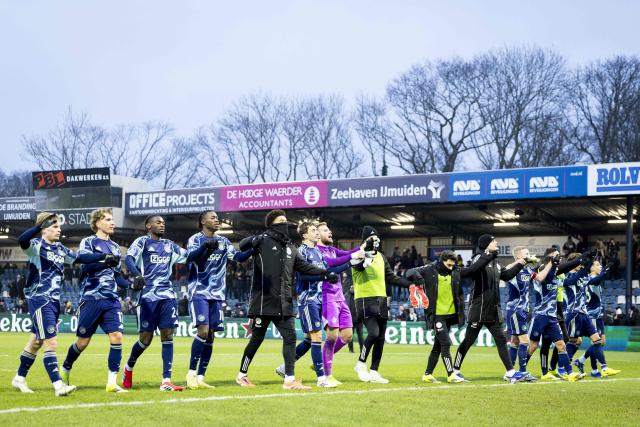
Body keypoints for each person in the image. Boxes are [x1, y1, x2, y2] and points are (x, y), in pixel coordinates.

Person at [11, 212, 114, 396]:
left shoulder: (60, 248)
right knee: (51, 342)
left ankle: (19, 378)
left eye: (59, 226)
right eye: (55, 226)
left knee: (36, 342)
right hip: (40, 299)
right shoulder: (36, 246)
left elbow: (80, 258)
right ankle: (59, 386)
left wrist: (103, 259)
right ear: (44, 229)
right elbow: (22, 239)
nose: (59, 230)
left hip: (53, 301)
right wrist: (39, 226)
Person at [235, 210, 335, 390]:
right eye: (281, 221)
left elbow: (305, 267)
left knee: (290, 337)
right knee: (256, 340)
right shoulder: (262, 241)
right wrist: (252, 239)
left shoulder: (290, 247)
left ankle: (289, 379)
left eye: (286, 221)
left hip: (284, 302)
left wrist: (325, 274)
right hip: (263, 302)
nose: (285, 224)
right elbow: (241, 247)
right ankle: (242, 375)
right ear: (272, 225)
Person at [121, 215, 211, 391]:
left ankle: (166, 381)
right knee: (145, 340)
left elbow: (189, 256)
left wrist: (204, 247)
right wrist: (136, 274)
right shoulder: (142, 242)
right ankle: (129, 367)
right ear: (148, 225)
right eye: (158, 222)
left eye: (163, 223)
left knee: (167, 335)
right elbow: (130, 258)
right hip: (147, 297)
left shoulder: (169, 245)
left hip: (167, 296)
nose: (162, 225)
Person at [61, 208, 138, 393]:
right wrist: (104, 259)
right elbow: (84, 263)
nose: (112, 223)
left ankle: (111, 382)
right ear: (97, 223)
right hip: (91, 298)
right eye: (108, 219)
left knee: (117, 337)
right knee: (82, 343)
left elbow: (116, 275)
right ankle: (65, 369)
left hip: (111, 300)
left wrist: (131, 284)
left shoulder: (115, 248)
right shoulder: (88, 242)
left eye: (113, 220)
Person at [275, 221, 348, 388]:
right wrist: (324, 276)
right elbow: (304, 276)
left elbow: (329, 271)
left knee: (309, 340)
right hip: (308, 299)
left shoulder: (318, 252)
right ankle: (322, 379)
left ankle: (284, 367)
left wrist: (351, 263)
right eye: (313, 230)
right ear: (304, 235)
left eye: (317, 230)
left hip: (320, 299)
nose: (317, 233)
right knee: (317, 337)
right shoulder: (301, 252)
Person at [184, 211, 252, 389]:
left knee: (211, 335)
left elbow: (238, 258)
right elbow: (190, 259)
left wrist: (254, 247)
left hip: (217, 294)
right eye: (212, 217)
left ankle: (200, 377)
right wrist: (206, 248)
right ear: (203, 221)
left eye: (217, 217)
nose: (217, 220)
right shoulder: (195, 239)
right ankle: (190, 373)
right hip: (198, 291)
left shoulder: (223, 241)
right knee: (203, 331)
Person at [352, 226, 426, 384]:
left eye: (376, 239)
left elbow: (391, 277)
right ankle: (360, 363)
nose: (374, 241)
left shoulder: (382, 257)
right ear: (364, 240)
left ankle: (374, 371)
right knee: (373, 333)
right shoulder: (357, 253)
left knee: (380, 338)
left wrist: (411, 285)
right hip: (364, 299)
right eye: (371, 239)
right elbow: (358, 266)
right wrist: (367, 252)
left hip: (381, 300)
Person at [452, 234, 527, 383]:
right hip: (479, 308)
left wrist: (521, 264)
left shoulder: (495, 262)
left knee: (500, 339)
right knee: (468, 341)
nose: (496, 242)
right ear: (486, 244)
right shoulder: (478, 258)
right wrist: (487, 255)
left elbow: (505, 276)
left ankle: (510, 372)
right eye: (493, 241)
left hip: (492, 309)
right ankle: (455, 371)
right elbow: (473, 270)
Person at [524, 249, 594, 381]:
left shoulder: (557, 274)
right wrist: (581, 258)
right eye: (556, 256)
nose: (559, 259)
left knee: (561, 344)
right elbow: (544, 277)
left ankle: (569, 372)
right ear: (549, 258)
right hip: (540, 315)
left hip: (553, 315)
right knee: (533, 346)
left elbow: (571, 277)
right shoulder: (541, 270)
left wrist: (586, 259)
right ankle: (522, 370)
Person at [407, 250, 464, 384]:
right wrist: (418, 279)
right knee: (446, 343)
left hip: (450, 315)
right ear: (442, 261)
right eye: (448, 265)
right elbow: (409, 272)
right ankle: (451, 374)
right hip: (437, 315)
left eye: (452, 265)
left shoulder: (455, 271)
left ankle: (427, 374)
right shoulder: (429, 269)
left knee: (437, 347)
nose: (451, 268)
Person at [564, 255, 621, 378]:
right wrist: (606, 269)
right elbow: (595, 280)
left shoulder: (585, 278)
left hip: (590, 314)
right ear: (592, 267)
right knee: (575, 341)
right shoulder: (584, 278)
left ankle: (602, 368)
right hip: (582, 314)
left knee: (597, 341)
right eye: (597, 264)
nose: (599, 266)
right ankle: (568, 368)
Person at [505, 246, 537, 380]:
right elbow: (505, 270)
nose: (529, 255)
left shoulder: (528, 270)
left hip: (523, 310)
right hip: (515, 310)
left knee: (515, 342)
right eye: (526, 254)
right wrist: (520, 261)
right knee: (525, 340)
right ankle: (522, 371)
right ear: (519, 256)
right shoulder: (511, 270)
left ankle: (510, 372)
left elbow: (539, 277)